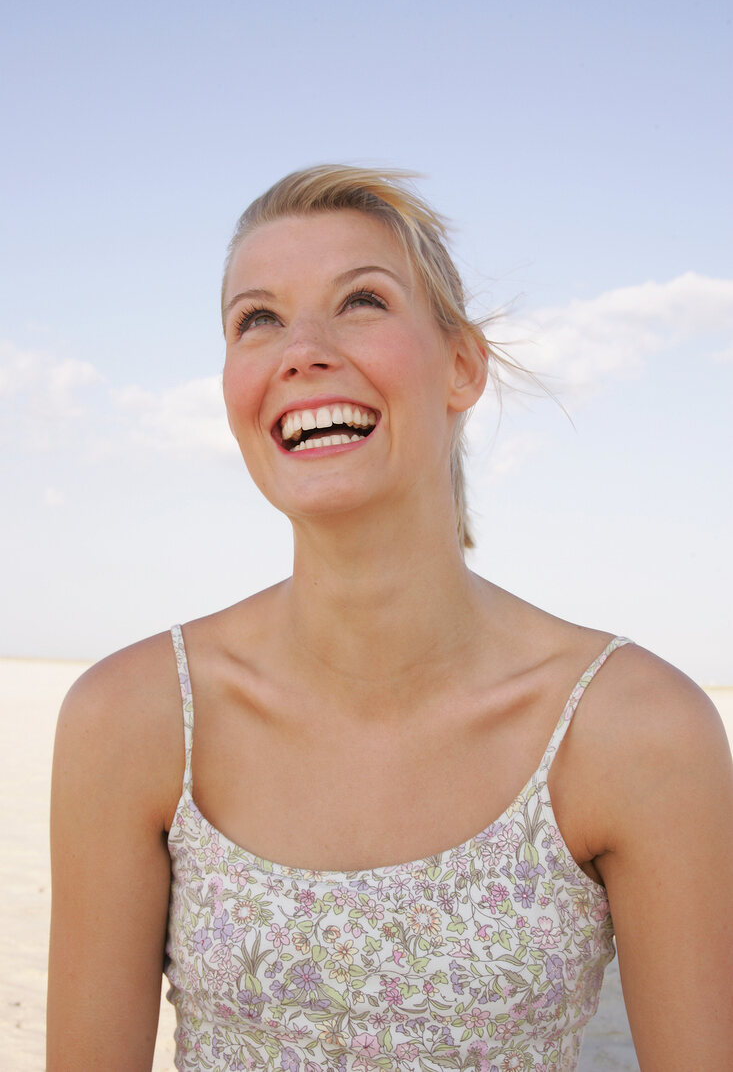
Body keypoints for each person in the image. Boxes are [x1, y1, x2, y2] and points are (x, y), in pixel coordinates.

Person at [47, 165, 733, 1072]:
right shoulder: (130, 721)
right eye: (258, 319)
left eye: (360, 301)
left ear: (462, 366)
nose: (302, 350)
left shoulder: (636, 731)